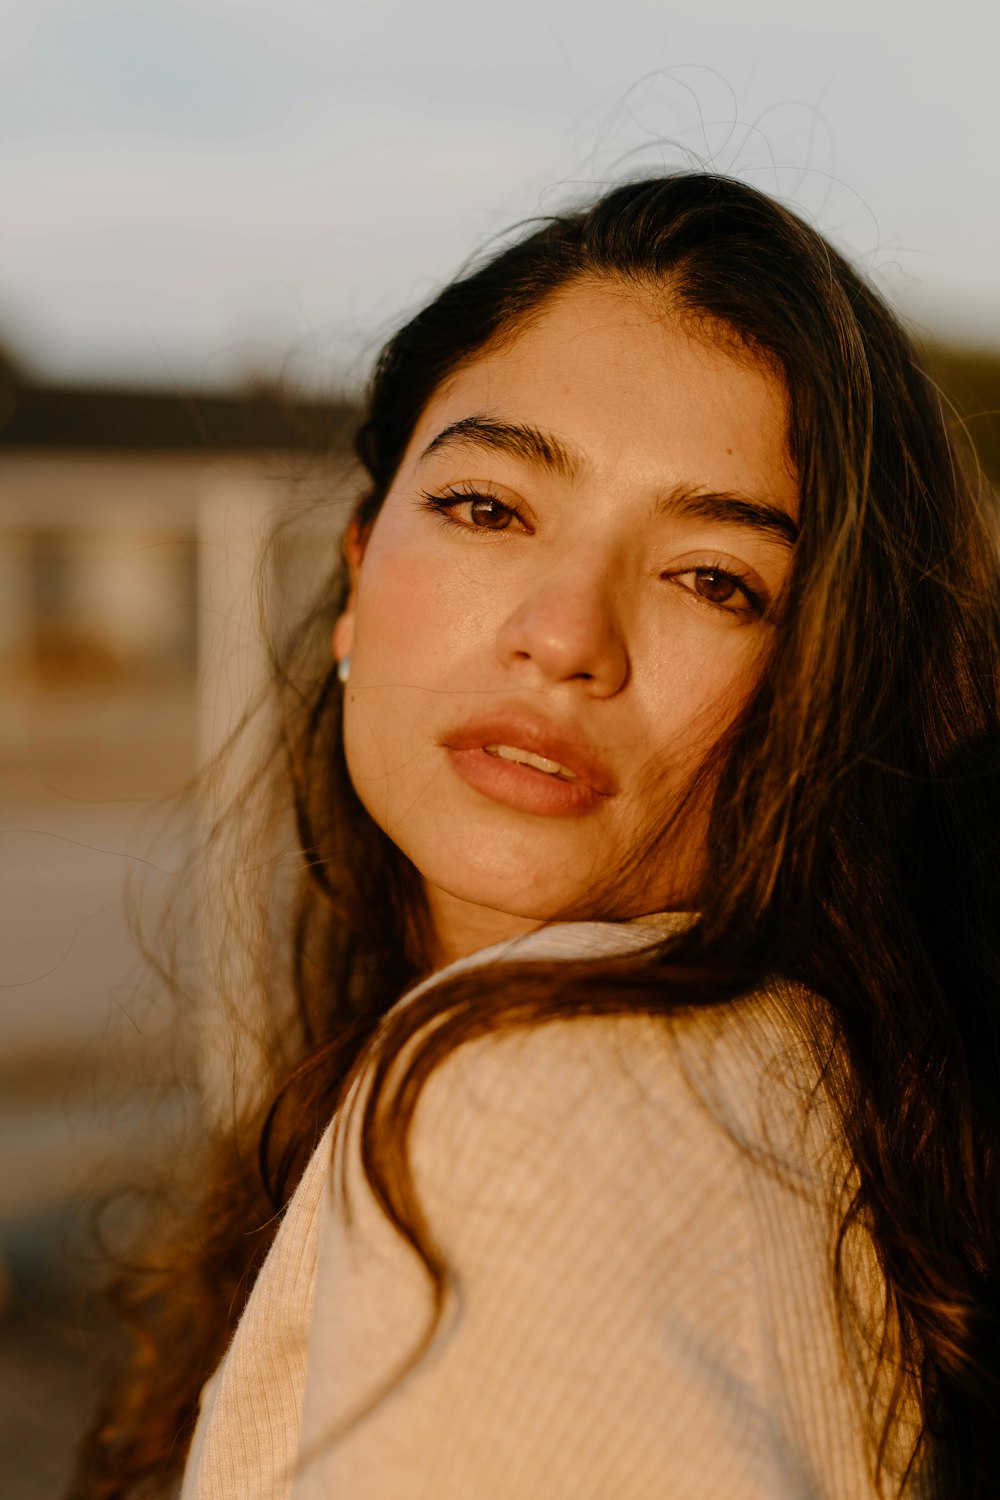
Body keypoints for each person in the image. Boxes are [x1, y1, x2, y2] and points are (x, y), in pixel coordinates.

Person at [70, 173, 999, 1499]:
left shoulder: (530, 1100)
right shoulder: (815, 1096)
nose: (564, 636)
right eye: (488, 508)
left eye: (715, 580)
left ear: (835, 692)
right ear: (353, 577)